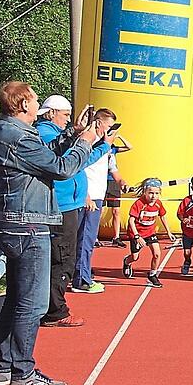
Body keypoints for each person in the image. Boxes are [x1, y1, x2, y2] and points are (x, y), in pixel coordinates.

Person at [0, 81, 99, 385]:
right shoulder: (16, 135)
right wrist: (86, 142)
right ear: (23, 105)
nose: (37, 106)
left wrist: (72, 134)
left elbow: (42, 156)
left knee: (15, 299)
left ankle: (3, 366)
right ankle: (23, 372)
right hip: (28, 224)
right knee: (33, 304)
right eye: (34, 101)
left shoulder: (8, 131)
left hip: (16, 222)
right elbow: (61, 168)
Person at [35, 96, 113, 328]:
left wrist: (102, 145)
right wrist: (79, 135)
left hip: (69, 203)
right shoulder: (46, 134)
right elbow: (63, 163)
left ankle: (52, 306)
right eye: (66, 115)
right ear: (51, 113)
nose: (69, 120)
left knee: (63, 257)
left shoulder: (57, 134)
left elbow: (81, 160)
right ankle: (54, 311)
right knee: (62, 259)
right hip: (61, 205)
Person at [73, 108, 120, 294]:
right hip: (88, 197)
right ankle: (82, 279)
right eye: (108, 126)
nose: (110, 131)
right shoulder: (88, 142)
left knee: (88, 239)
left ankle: (82, 273)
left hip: (98, 195)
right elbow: (79, 167)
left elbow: (109, 167)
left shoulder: (104, 145)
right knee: (85, 237)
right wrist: (86, 195)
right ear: (98, 123)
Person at [123, 178, 174, 288]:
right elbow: (131, 220)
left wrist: (169, 232)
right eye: (150, 193)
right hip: (137, 233)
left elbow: (163, 216)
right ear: (145, 192)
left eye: (156, 193)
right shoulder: (139, 204)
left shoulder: (158, 204)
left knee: (157, 253)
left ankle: (152, 274)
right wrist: (137, 236)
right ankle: (127, 262)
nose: (153, 196)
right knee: (135, 257)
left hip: (150, 232)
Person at [105, 135, 132, 248]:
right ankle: (95, 237)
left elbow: (129, 147)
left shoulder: (113, 148)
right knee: (99, 211)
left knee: (116, 210)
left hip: (113, 182)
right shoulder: (99, 146)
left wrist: (119, 136)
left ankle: (116, 237)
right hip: (101, 180)